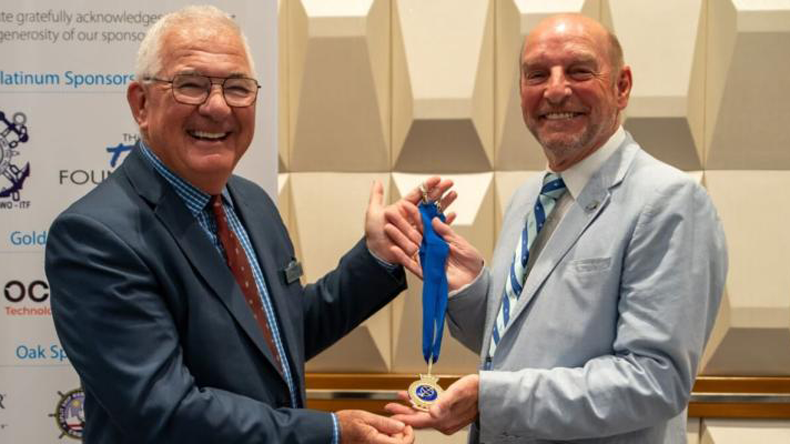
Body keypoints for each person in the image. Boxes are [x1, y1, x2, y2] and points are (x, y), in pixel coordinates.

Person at [45, 6, 453, 443]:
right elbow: (163, 410)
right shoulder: (95, 237)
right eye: (191, 85)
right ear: (141, 104)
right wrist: (331, 431)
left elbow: (279, 337)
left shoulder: (252, 202)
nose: (218, 106)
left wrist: (376, 256)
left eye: (237, 87)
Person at [385, 14, 728, 443]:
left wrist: (491, 399)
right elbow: (522, 349)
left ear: (622, 87)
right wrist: (470, 289)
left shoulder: (670, 202)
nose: (556, 89)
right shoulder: (528, 198)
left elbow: (652, 381)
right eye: (537, 74)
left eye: (579, 70)